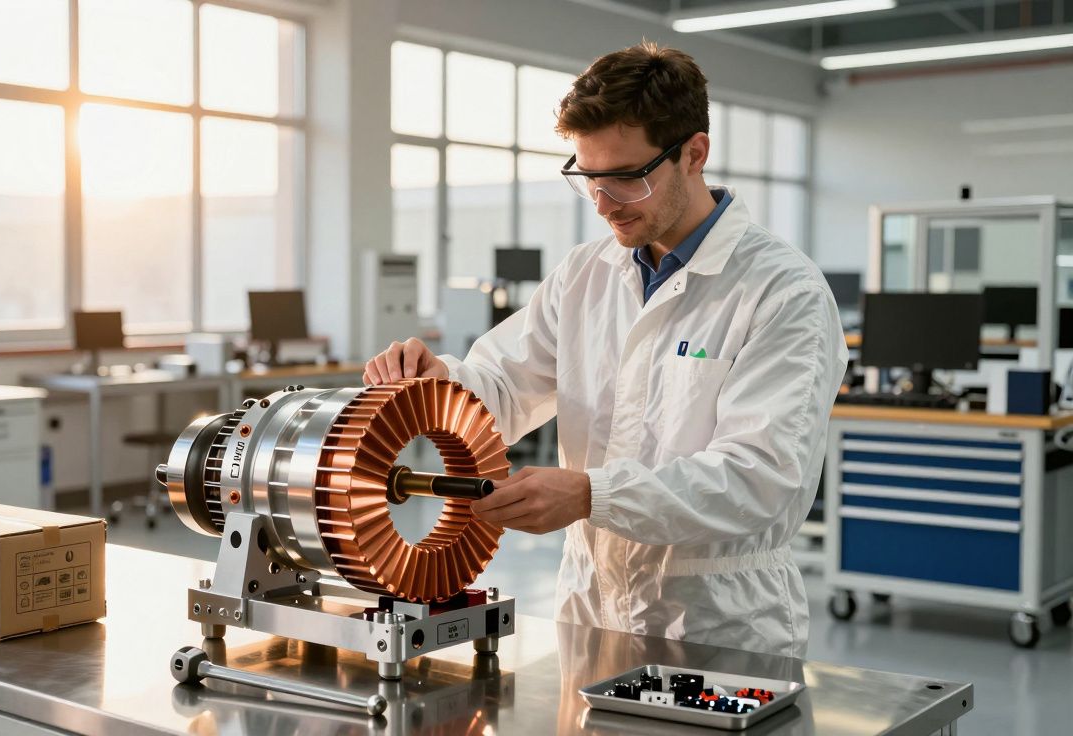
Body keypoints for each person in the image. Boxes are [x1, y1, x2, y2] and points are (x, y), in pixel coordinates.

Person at [363, 41, 847, 657]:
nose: (602, 201)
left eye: (625, 177)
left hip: (719, 622)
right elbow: (506, 386)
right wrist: (440, 383)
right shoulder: (586, 274)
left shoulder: (782, 291)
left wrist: (593, 493)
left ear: (693, 154)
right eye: (588, 176)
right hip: (590, 607)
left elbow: (760, 478)